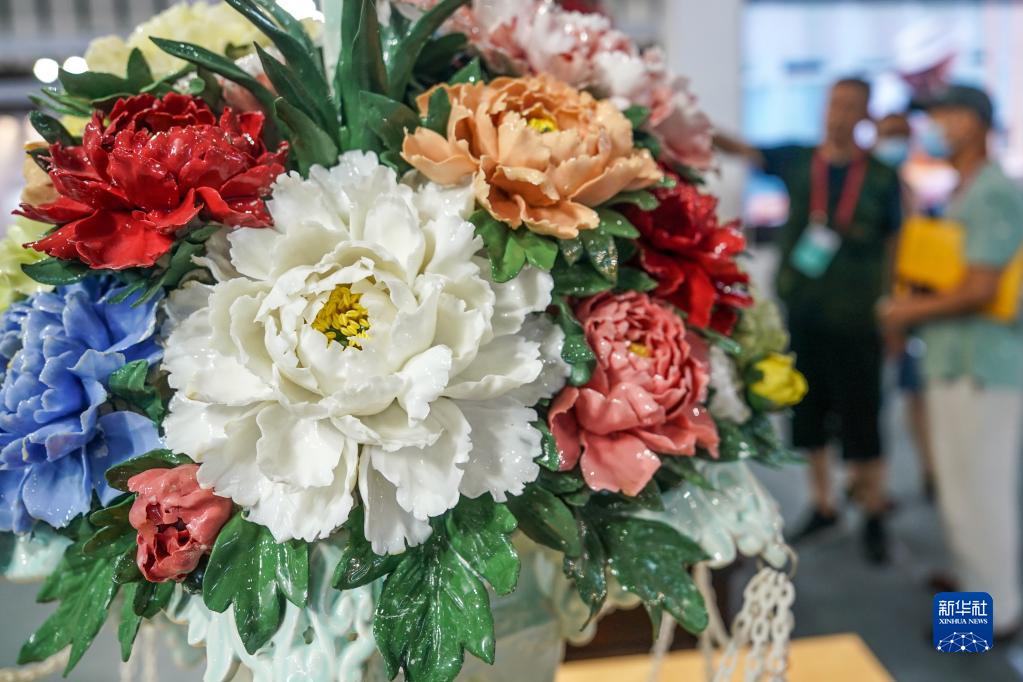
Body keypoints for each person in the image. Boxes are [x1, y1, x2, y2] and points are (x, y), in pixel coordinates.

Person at [716, 78, 902, 564]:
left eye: (851, 106)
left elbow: (894, 245)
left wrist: (894, 310)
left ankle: (874, 508)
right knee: (808, 411)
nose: (840, 114)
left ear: (865, 115)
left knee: (863, 413)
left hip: (858, 316)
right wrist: (688, 126)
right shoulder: (799, 160)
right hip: (804, 310)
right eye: (835, 104)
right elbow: (743, 149)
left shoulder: (882, 176)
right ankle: (824, 504)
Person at [878, 84, 1023, 635]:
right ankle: (973, 589)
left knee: (979, 497)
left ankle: (988, 620)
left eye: (942, 116)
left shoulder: (993, 192)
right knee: (961, 495)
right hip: (954, 362)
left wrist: (904, 312)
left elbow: (981, 288)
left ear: (971, 122)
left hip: (980, 368)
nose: (934, 128)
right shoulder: (963, 190)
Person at [874, 112, 936, 502]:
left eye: (899, 136)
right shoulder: (872, 188)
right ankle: (872, 485)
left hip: (910, 310)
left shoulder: (912, 192)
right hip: (877, 311)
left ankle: (930, 470)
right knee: (874, 401)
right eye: (888, 135)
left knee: (918, 396)